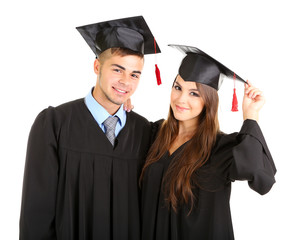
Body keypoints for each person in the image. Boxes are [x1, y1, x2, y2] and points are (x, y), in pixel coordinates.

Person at [19, 16, 160, 240]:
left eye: (134, 74)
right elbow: (36, 215)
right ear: (97, 66)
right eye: (117, 70)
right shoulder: (55, 125)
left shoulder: (146, 133)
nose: (126, 81)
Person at [140, 44, 276, 240]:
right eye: (177, 87)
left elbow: (261, 179)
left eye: (194, 93)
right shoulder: (153, 134)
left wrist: (251, 116)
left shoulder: (221, 148)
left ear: (209, 101)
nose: (181, 99)